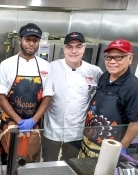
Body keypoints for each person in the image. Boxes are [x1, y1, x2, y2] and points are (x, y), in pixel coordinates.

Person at [0, 23, 54, 164]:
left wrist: (33, 120)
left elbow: (47, 96)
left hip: (34, 124)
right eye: (28, 40)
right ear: (20, 40)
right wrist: (19, 121)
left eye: (35, 40)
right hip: (10, 123)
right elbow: (0, 97)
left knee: (31, 160)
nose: (31, 44)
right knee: (8, 163)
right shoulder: (7, 64)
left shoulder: (46, 65)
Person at [42, 32, 102, 162]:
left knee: (70, 164)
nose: (74, 51)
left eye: (78, 46)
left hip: (77, 131)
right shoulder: (51, 67)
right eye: (69, 47)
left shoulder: (94, 71)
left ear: (84, 48)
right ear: (64, 49)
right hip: (52, 129)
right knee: (48, 163)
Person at [80, 39, 138, 157]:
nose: (112, 62)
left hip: (111, 146)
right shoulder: (105, 76)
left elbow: (135, 122)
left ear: (130, 58)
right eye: (108, 57)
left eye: (118, 57)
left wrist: (122, 147)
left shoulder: (133, 87)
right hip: (88, 141)